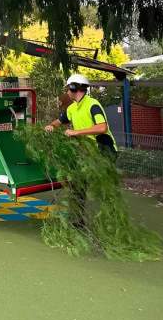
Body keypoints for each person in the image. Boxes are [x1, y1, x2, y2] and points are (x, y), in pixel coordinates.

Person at [44, 74, 118, 229]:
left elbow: (102, 127)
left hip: (104, 151)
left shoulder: (93, 105)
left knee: (103, 187)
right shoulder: (72, 108)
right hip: (85, 152)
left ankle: (112, 221)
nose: (67, 92)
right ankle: (78, 221)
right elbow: (59, 121)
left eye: (68, 88)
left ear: (73, 87)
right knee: (77, 185)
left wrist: (76, 132)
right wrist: (51, 125)